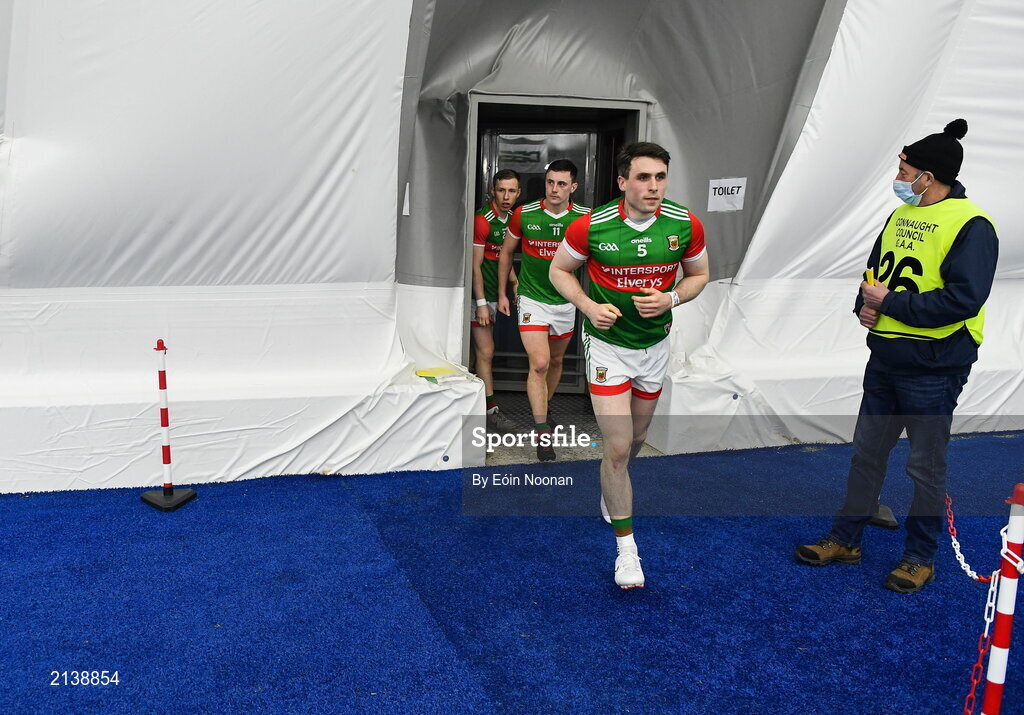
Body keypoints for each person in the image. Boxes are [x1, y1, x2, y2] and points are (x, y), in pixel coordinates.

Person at [795, 119, 999, 594]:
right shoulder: (901, 216)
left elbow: (962, 300)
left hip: (935, 364)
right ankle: (845, 539)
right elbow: (877, 273)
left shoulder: (972, 225)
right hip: (886, 357)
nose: (899, 174)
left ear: (928, 176)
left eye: (905, 167)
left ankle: (919, 556)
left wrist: (888, 304)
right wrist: (864, 304)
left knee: (924, 466)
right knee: (866, 454)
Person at [550, 142, 710, 589]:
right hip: (607, 347)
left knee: (637, 438)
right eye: (644, 177)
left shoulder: (684, 224)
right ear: (623, 182)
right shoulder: (591, 226)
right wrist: (586, 305)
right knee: (618, 447)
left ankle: (613, 481)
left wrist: (672, 297)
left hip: (653, 347)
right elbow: (559, 271)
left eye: (660, 177)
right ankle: (626, 550)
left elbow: (699, 275)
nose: (654, 186)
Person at [497, 159, 590, 461]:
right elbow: (507, 252)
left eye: (562, 183)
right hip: (532, 299)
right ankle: (542, 432)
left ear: (573, 187)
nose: (554, 188)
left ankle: (545, 406)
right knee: (539, 363)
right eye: (550, 182)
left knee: (557, 360)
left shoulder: (585, 219)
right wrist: (502, 292)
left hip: (565, 301)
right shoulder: (524, 214)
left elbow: (601, 260)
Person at [471, 169, 521, 433]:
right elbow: (475, 266)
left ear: (518, 193)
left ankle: (477, 408)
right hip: (480, 297)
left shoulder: (513, 218)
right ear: (493, 190)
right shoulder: (483, 220)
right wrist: (480, 303)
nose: (506, 196)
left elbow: (503, 258)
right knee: (486, 352)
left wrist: (514, 283)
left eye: (511, 191)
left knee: (479, 354)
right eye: (501, 190)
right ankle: (490, 413)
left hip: (495, 294)